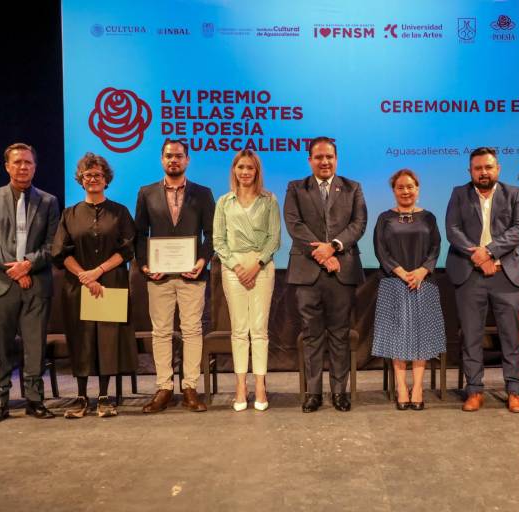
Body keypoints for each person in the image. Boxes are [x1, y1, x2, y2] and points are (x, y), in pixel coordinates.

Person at [0, 142, 60, 423]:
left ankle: (35, 400)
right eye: (17, 162)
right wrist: (13, 268)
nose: (23, 167)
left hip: (36, 283)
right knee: (1, 347)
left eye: (28, 162)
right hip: (1, 283)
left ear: (35, 167)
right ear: (7, 166)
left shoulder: (48, 201)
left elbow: (52, 244)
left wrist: (28, 265)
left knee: (35, 346)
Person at [283, 136, 367, 413]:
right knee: (312, 335)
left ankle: (340, 393)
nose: (324, 162)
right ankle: (313, 393)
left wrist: (333, 248)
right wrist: (320, 254)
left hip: (342, 272)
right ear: (310, 160)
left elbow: (358, 224)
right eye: (318, 157)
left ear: (336, 159)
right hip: (307, 274)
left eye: (329, 157)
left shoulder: (353, 188)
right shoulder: (296, 188)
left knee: (340, 335)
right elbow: (295, 225)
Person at [52, 152, 138, 418]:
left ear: (106, 179)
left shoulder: (120, 212)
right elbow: (60, 252)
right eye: (88, 175)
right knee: (81, 338)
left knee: (107, 339)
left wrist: (98, 272)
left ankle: (103, 397)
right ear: (81, 179)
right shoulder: (69, 214)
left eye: (98, 175)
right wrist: (85, 276)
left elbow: (127, 250)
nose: (93, 179)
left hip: (111, 283)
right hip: (78, 286)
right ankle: (80, 398)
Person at [446, 147, 519, 413]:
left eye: (488, 167)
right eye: (478, 168)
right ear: (470, 171)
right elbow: (452, 230)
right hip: (470, 275)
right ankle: (474, 390)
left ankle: (515, 390)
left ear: (498, 169)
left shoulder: (514, 193)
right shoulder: (459, 194)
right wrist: (479, 258)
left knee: (510, 336)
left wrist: (490, 252)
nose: (483, 172)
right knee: (471, 336)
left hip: (506, 274)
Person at [134, 138, 215, 413]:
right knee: (161, 332)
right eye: (169, 155)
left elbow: (212, 234)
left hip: (192, 274)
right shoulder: (146, 193)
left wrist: (202, 261)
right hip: (159, 276)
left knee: (192, 330)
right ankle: (164, 387)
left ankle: (190, 387)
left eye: (179, 156)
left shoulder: (203, 193)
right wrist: (145, 266)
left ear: (187, 160)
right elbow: (139, 235)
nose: (173, 160)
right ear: (161, 159)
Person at [372, 169, 445, 411]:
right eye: (400, 187)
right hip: (394, 283)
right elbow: (381, 250)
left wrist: (423, 271)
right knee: (397, 336)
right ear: (394, 190)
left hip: (424, 283)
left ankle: (418, 387)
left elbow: (435, 248)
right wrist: (402, 273)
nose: (406, 191)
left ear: (418, 188)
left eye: (410, 186)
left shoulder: (429, 218)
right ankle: (402, 387)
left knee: (421, 336)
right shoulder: (384, 218)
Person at [213, 149, 281, 412]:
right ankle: (241, 386)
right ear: (234, 170)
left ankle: (261, 385)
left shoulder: (269, 200)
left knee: (259, 330)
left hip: (262, 268)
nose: (245, 172)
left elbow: (274, 238)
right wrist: (237, 267)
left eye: (250, 167)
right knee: (239, 330)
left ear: (257, 171)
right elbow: (219, 241)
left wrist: (257, 265)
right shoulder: (224, 202)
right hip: (233, 268)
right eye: (240, 167)